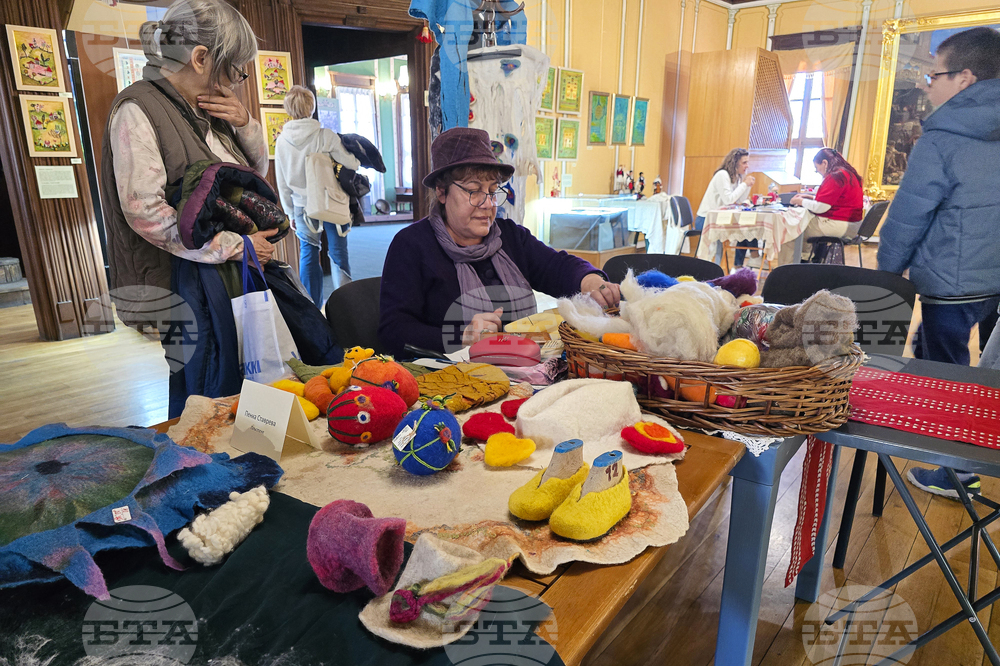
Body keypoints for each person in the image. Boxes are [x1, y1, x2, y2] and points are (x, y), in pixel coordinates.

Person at [101, 0, 340, 418]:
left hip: (230, 271)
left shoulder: (203, 105)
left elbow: (249, 178)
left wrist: (246, 123)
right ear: (199, 58)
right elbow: (144, 210)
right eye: (233, 69)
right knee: (209, 387)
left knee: (260, 375)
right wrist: (234, 245)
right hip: (188, 279)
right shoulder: (138, 109)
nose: (234, 81)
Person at [877, 26, 1000, 499]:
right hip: (994, 281)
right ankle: (980, 453)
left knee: (944, 377)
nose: (927, 86)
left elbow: (908, 217)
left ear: (964, 78)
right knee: (987, 377)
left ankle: (953, 472)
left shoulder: (942, 138)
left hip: (952, 280)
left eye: (934, 76)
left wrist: (888, 274)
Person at [378, 128, 620, 357]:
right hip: (451, 379)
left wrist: (589, 280)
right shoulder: (412, 246)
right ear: (442, 192)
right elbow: (393, 332)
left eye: (493, 191)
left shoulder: (509, 237)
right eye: (474, 191)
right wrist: (461, 336)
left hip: (523, 368)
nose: (488, 204)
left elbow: (556, 266)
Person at [275, 85, 358, 306]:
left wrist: (289, 211)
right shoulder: (325, 136)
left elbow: (282, 182)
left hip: (301, 206)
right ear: (311, 107)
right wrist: (356, 159)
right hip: (330, 201)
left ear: (288, 109)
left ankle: (312, 305)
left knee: (308, 253)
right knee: (338, 252)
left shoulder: (281, 141)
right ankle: (346, 303)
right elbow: (351, 163)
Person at [778, 147, 864, 265]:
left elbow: (821, 208)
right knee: (803, 225)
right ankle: (805, 261)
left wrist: (800, 202)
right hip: (852, 225)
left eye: (817, 169)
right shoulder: (848, 173)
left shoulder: (835, 175)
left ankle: (786, 270)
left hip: (840, 225)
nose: (818, 172)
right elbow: (837, 201)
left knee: (790, 229)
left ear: (825, 163)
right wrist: (812, 198)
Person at [695, 148, 755, 266]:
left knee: (747, 226)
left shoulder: (737, 177)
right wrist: (744, 184)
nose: (747, 166)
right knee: (744, 228)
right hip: (706, 219)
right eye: (744, 162)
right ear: (735, 163)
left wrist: (747, 186)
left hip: (720, 219)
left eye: (747, 162)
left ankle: (739, 264)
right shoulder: (722, 175)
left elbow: (739, 200)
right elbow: (728, 200)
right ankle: (753, 253)